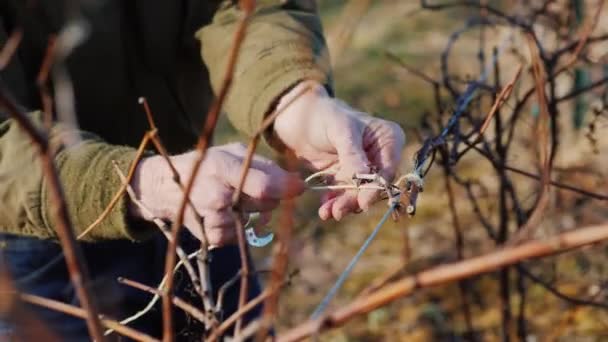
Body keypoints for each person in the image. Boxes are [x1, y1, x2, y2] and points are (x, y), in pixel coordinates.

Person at [0, 0, 405, 340]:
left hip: (201, 195)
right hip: (36, 235)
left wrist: (294, 99)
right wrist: (145, 183)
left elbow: (246, 7)